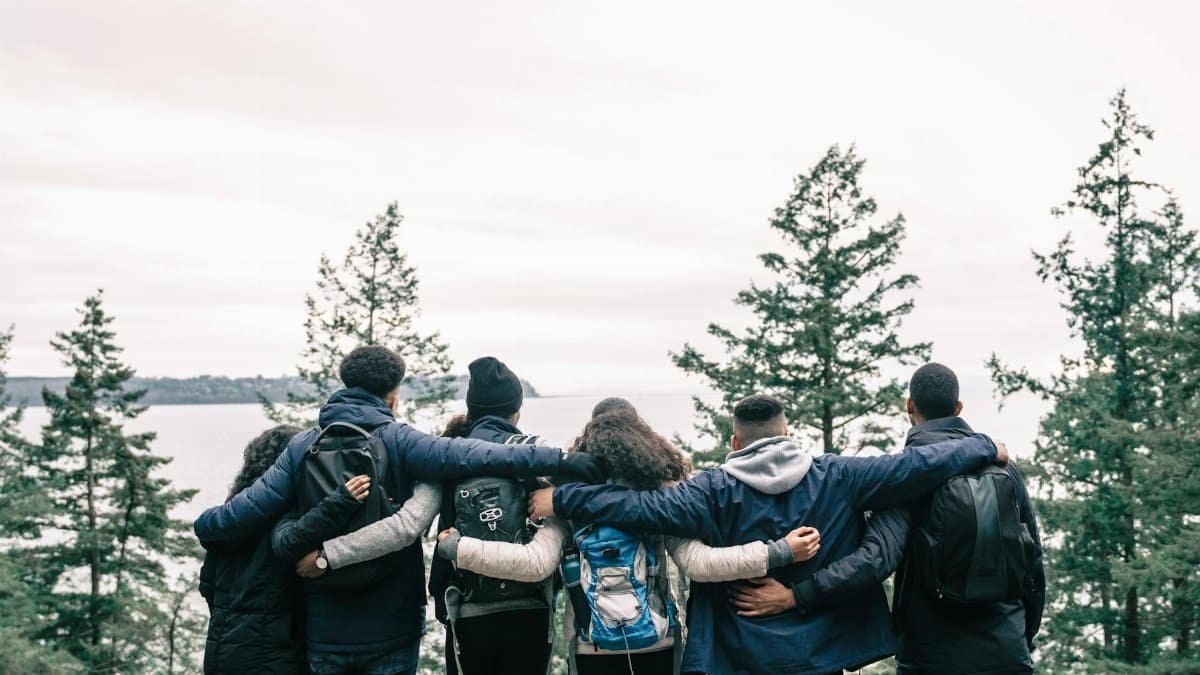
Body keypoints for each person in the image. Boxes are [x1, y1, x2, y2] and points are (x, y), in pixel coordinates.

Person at [193, 345, 604, 675]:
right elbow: (472, 454)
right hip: (393, 626)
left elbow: (240, 515)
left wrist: (207, 523)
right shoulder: (401, 441)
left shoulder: (302, 446)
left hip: (326, 629)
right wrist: (560, 460)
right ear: (393, 397)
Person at [529, 393, 1008, 675]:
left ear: (735, 442)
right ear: (786, 432)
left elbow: (643, 506)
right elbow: (916, 465)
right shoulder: (839, 477)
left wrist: (567, 499)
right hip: (820, 654)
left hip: (738, 657)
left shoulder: (711, 490)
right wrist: (982, 445)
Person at [436, 400, 821, 675]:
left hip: (591, 643)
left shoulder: (564, 499)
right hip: (658, 638)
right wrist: (779, 552)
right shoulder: (663, 495)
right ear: (643, 439)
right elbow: (700, 565)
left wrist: (459, 548)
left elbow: (533, 564)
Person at [732, 364, 1046, 674]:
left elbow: (873, 560)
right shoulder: (1004, 468)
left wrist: (795, 595)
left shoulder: (906, 478)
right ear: (959, 407)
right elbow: (1033, 562)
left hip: (930, 655)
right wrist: (1020, 636)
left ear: (909, 406)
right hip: (1007, 648)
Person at [198, 425, 372, 674]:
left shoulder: (229, 523)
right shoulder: (290, 524)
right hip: (274, 655)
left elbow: (207, 585)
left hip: (222, 653)